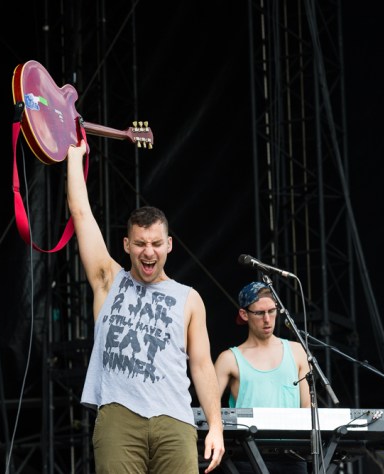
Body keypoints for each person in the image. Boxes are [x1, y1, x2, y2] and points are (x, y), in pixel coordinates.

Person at [66, 140, 224, 474]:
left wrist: (215, 426)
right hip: (119, 415)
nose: (148, 251)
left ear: (169, 245)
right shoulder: (109, 280)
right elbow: (81, 213)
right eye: (140, 243)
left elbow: (201, 366)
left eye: (155, 243)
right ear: (127, 245)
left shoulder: (189, 298)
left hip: (175, 419)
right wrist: (74, 156)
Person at [214, 281, 311, 474]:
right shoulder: (229, 358)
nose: (267, 319)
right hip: (245, 456)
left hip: (292, 455)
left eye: (272, 311)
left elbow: (307, 408)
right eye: (259, 313)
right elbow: (210, 408)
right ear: (244, 314)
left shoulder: (297, 351)